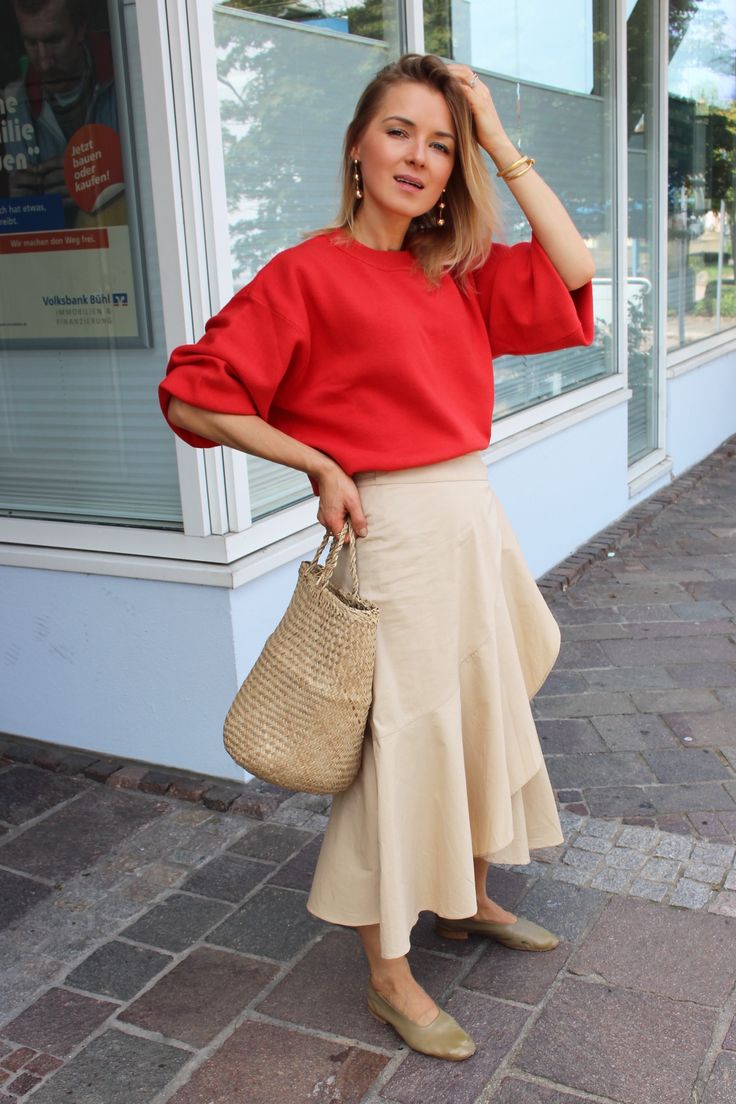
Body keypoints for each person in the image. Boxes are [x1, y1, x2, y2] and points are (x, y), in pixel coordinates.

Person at [159, 54, 594, 1062]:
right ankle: (388, 973)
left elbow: (573, 269)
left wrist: (495, 135)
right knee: (397, 747)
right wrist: (314, 458)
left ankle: (467, 898)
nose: (418, 156)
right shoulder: (306, 273)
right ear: (357, 145)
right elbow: (194, 393)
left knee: (480, 718)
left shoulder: (454, 269)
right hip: (390, 538)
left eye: (440, 144)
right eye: (400, 131)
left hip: (471, 524)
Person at [3, 0, 117, 217]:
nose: (44, 61)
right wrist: (22, 207)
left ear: (81, 28)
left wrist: (104, 180)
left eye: (54, 40)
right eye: (31, 43)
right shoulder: (15, 103)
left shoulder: (123, 79)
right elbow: (30, 227)